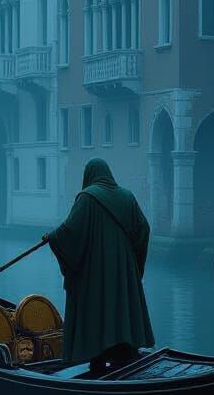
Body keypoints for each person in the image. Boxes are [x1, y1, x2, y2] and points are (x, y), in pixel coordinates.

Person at [45, 158, 154, 372]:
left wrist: (52, 236)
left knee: (98, 307)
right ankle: (124, 350)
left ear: (89, 175)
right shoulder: (127, 197)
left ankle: (98, 355)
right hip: (124, 272)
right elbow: (144, 230)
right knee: (120, 306)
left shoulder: (86, 198)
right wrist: (133, 266)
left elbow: (70, 231)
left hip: (96, 273)